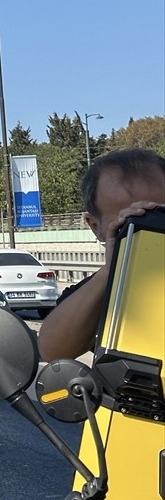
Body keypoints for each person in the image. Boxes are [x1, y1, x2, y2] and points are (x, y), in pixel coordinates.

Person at [37, 149, 165, 361]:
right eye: (128, 220)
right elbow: (53, 351)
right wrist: (111, 271)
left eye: (159, 213)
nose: (147, 224)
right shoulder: (97, 291)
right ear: (95, 226)